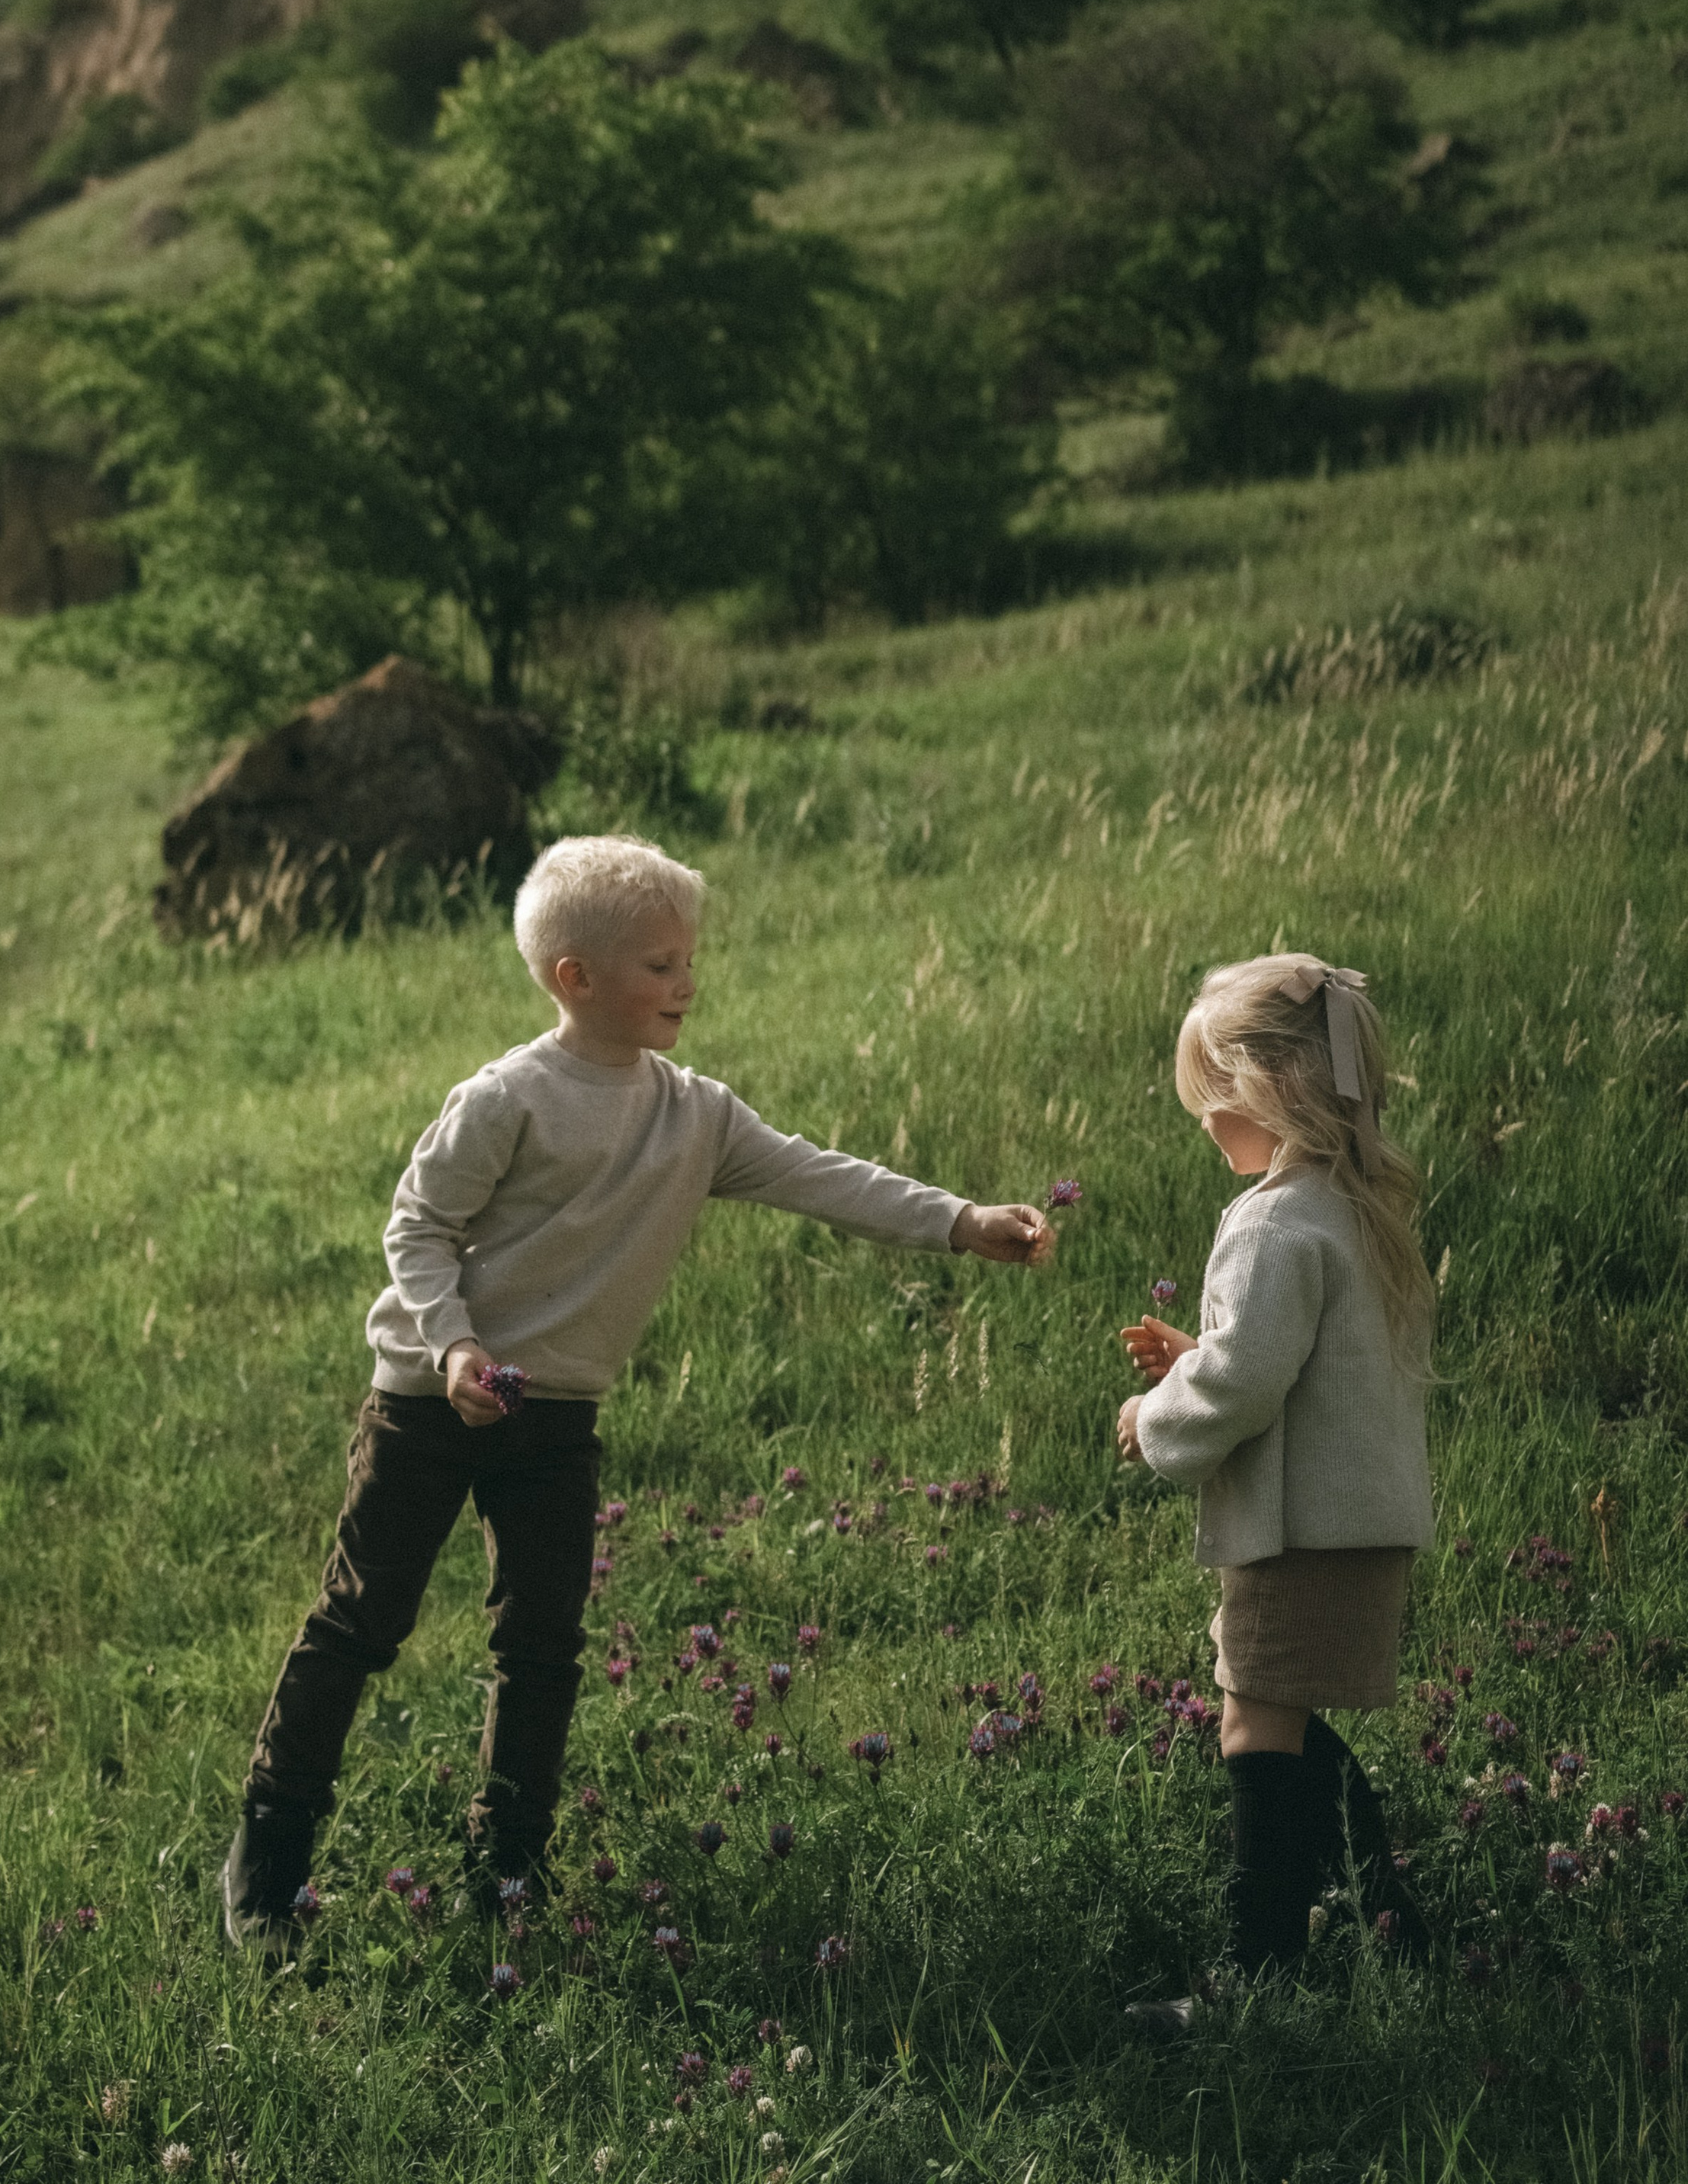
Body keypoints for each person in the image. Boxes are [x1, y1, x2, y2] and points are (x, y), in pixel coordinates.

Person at [223, 832, 1057, 1954]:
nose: (687, 982)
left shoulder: (696, 1115)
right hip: (432, 1402)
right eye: (661, 964)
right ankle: (269, 1861)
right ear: (577, 979)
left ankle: (507, 1868)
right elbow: (416, 1227)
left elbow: (822, 1176)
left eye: (688, 959)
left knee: (542, 1645)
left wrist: (962, 1222)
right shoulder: (507, 1098)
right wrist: (455, 1349)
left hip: (555, 1416)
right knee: (364, 1622)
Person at [1114, 954, 1434, 2029]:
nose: (1205, 1125)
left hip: (1298, 1532)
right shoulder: (1356, 1206)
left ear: (1269, 1092)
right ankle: (1384, 1909)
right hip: (1359, 1520)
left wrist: (1156, 1414)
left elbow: (1247, 1384)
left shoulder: (1268, 1223)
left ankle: (1257, 1978)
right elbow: (1298, 1366)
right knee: (1279, 1715)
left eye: (1214, 1100)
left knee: (1255, 1722)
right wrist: (1198, 1353)